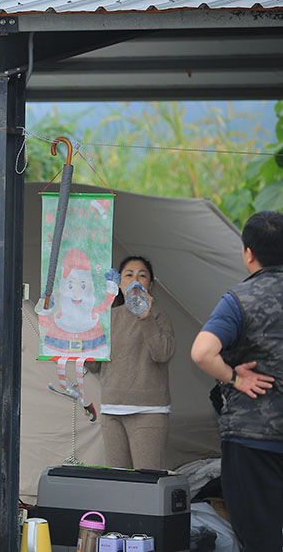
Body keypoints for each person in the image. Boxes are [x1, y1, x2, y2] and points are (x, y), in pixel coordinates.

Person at [190, 210, 282, 552]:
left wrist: (235, 378)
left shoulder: (239, 301)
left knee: (259, 539)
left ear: (248, 253)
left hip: (253, 440)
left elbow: (202, 352)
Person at [86, 256, 176, 469]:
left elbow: (162, 354)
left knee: (147, 481)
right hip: (111, 409)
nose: (135, 279)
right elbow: (93, 365)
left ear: (151, 284)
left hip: (149, 411)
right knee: (119, 482)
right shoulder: (107, 317)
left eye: (142, 275)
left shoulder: (159, 316)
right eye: (129, 275)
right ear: (119, 283)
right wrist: (84, 336)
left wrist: (145, 317)